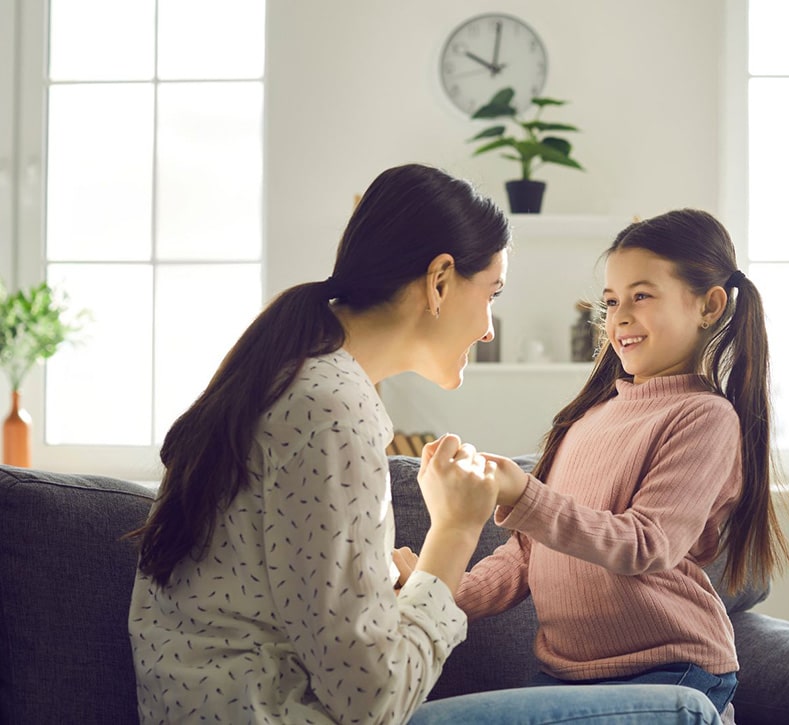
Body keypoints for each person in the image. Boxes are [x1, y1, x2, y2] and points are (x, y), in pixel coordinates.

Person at [125, 163, 723, 725]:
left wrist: (421, 577)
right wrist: (454, 532)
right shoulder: (332, 409)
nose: (489, 327)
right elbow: (372, 700)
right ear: (439, 281)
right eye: (491, 293)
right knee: (687, 714)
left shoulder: (299, 381)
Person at [436, 208, 789, 716]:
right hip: (563, 673)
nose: (620, 315)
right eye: (611, 301)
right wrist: (438, 592)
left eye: (641, 296)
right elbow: (525, 555)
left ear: (710, 306)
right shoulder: (587, 419)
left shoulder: (704, 416)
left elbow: (647, 544)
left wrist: (524, 494)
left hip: (669, 667)